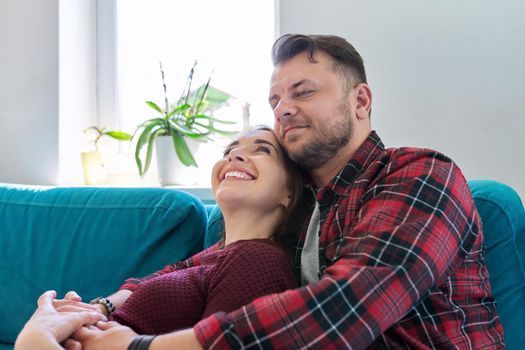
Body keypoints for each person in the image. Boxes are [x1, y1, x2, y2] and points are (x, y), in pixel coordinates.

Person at [21, 33, 506, 349]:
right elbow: (199, 264)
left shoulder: (419, 174)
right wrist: (99, 307)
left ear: (360, 100)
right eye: (276, 99)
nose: (283, 109)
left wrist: (137, 347)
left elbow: (348, 308)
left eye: (303, 92)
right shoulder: (300, 216)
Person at [16, 126, 303, 349]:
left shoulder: (258, 258)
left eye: (263, 150)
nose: (234, 156)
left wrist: (37, 336)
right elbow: (153, 279)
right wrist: (94, 309)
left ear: (289, 193)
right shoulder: (215, 254)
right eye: (230, 149)